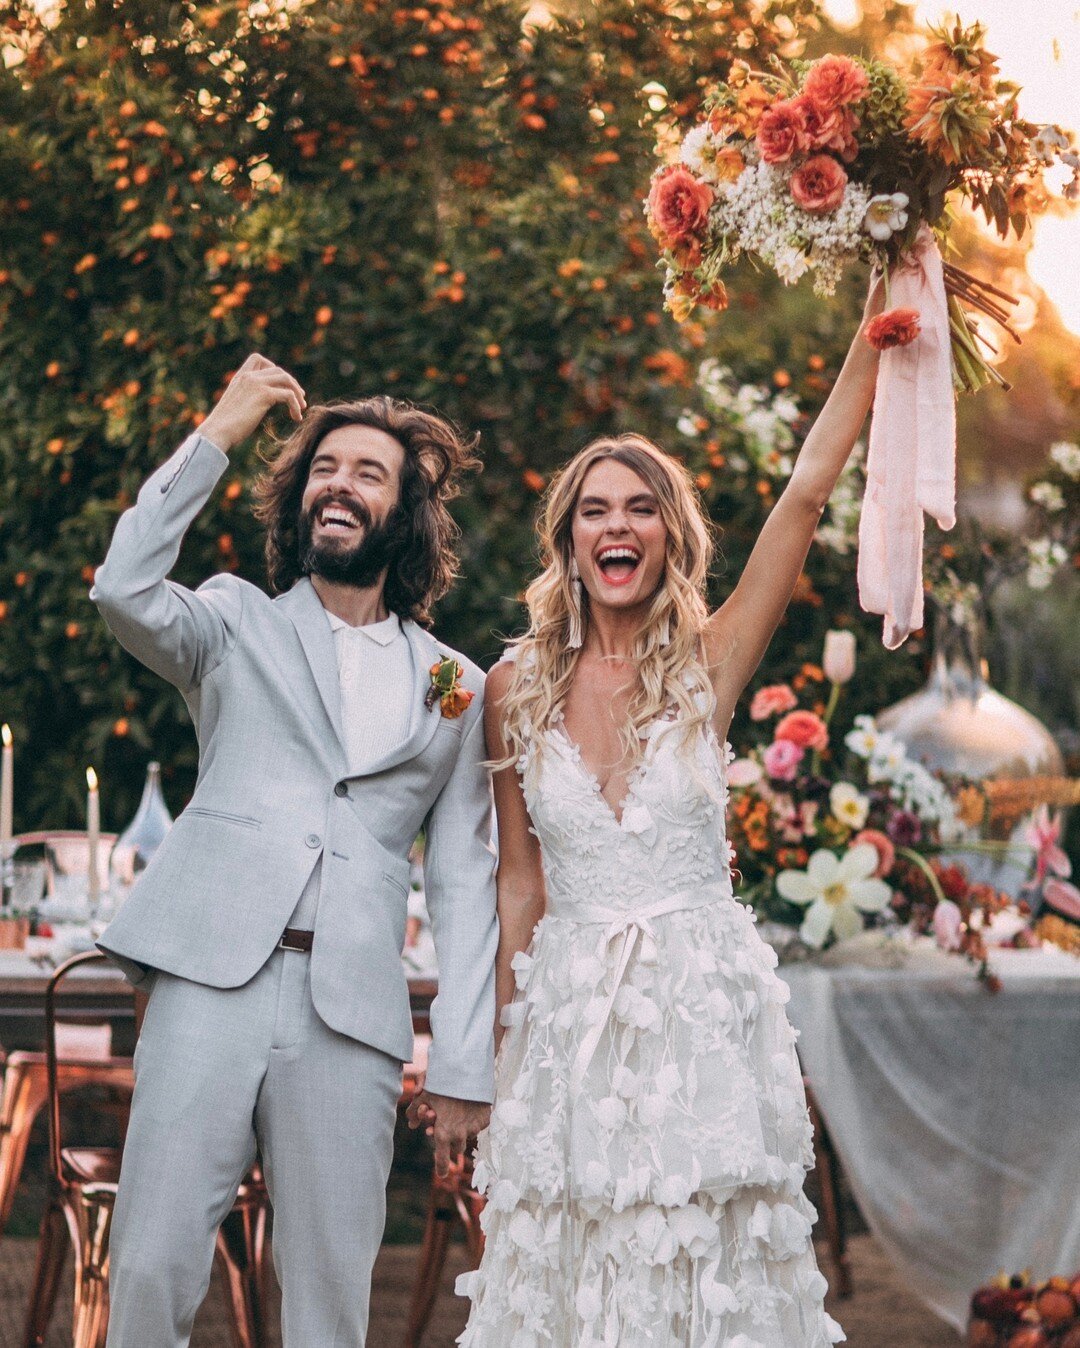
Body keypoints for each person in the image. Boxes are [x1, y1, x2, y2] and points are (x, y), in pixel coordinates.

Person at [445, 288, 885, 1345]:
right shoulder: (512, 689)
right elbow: (519, 880)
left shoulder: (710, 663)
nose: (617, 525)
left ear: (668, 534)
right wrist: (507, 1057)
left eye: (639, 507)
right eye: (595, 508)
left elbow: (807, 491)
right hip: (571, 1020)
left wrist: (879, 320)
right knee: (575, 1262)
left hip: (700, 1016)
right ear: (569, 538)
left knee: (707, 1264)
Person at [90, 354, 497, 1347]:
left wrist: (465, 1060)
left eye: (366, 471)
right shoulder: (233, 622)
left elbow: (462, 882)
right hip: (209, 986)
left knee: (327, 1306)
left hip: (350, 1017)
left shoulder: (454, 684)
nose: (336, 484)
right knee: (145, 1269)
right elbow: (122, 589)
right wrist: (220, 431)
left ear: (405, 513)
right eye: (323, 467)